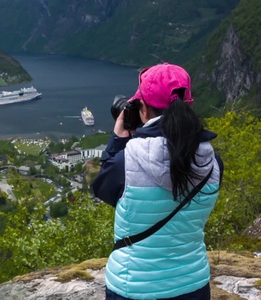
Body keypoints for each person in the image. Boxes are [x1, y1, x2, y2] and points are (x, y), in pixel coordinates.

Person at [92, 63, 223, 300]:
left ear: (142, 109)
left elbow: (104, 189)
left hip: (133, 288)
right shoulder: (212, 162)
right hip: (193, 285)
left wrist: (117, 142)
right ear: (188, 106)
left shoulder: (126, 162)